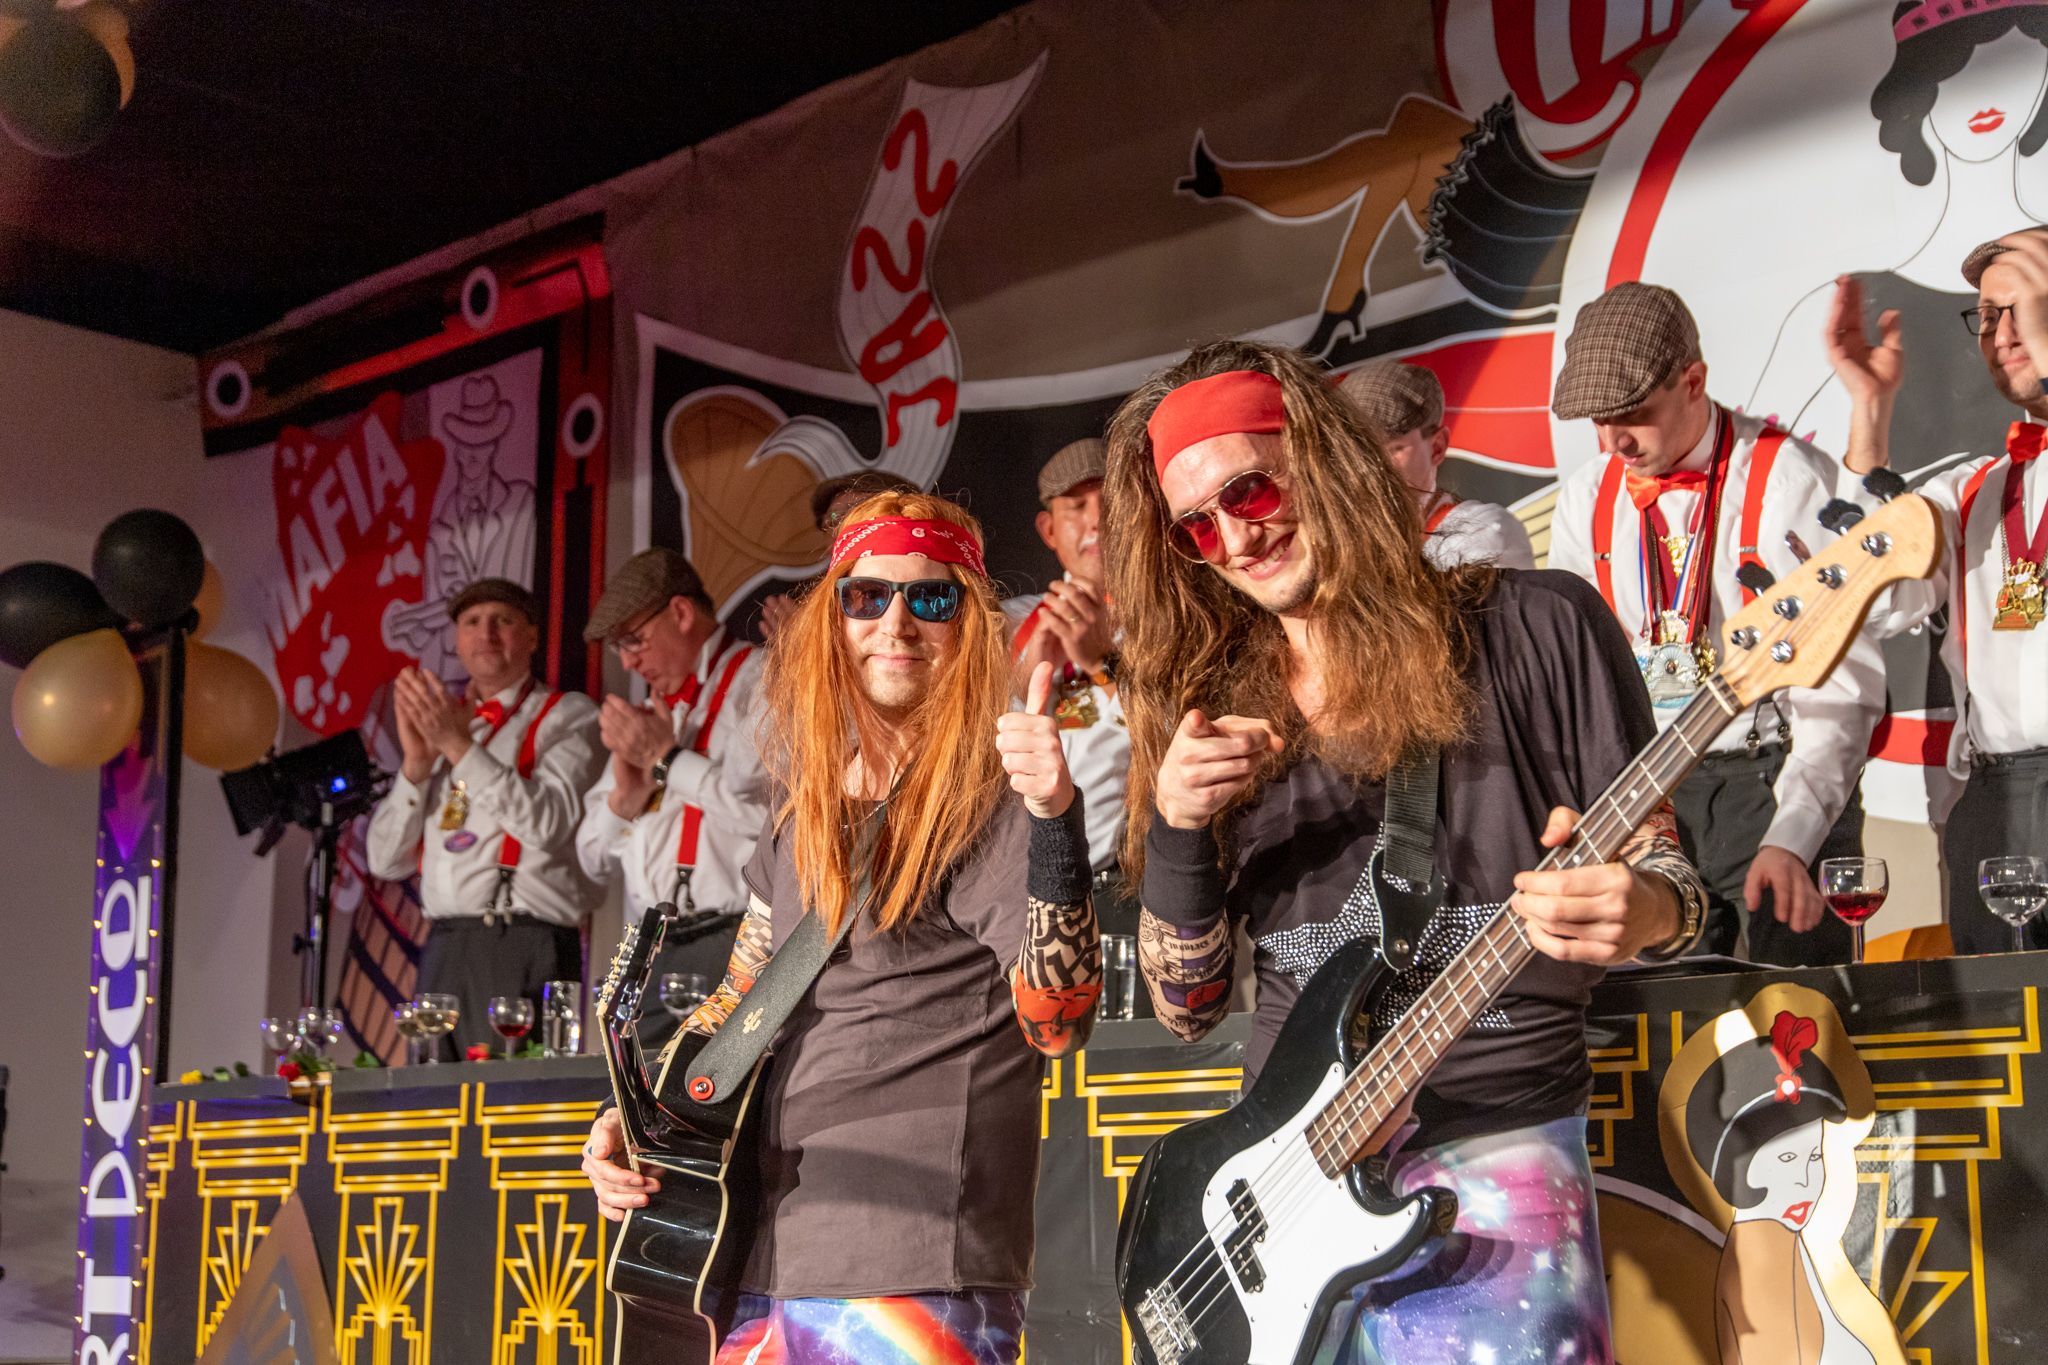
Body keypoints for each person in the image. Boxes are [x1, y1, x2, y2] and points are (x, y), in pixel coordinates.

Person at [1102, 339, 1709, 1364]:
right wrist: (1177, 826)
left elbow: (1672, 886)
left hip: (1496, 1155)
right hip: (1282, 1194)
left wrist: (1642, 908)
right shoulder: (1208, 703)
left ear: (1325, 460)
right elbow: (1186, 1006)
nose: (1236, 539)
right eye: (1197, 526)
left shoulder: (1536, 626)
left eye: (1248, 491)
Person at [581, 491, 1100, 1365]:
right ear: (834, 621)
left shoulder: (992, 798)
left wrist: (1052, 817)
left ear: (968, 625)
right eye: (867, 596)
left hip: (912, 1265)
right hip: (760, 1256)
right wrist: (638, 1119)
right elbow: (740, 1002)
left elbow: (1060, 1020)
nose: (896, 621)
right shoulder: (801, 814)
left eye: (929, 597)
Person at [1547, 283, 1885, 967]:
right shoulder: (1585, 499)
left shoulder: (1788, 479)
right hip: (1651, 795)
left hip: (1775, 779)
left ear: (1694, 381)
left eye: (1634, 413)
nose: (1614, 441)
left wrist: (1794, 834)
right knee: (1667, 1019)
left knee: (1796, 1013)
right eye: (1599, 421)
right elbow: (1577, 681)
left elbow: (1840, 686)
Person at [1829, 225, 2048, 953]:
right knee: (2003, 1018)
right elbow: (1871, 597)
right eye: (1986, 315)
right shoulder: (1972, 489)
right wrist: (1869, 411)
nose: (2002, 333)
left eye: (2024, 308)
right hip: (1991, 802)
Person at [366, 578, 603, 1057]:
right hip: (443, 944)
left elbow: (547, 824)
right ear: (457, 641)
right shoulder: (447, 723)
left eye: (503, 621)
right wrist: (416, 767)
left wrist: (457, 746)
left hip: (522, 939)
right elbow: (385, 862)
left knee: (510, 1097)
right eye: (472, 622)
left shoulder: (567, 714)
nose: (486, 634)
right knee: (432, 1097)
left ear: (532, 637)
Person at [575, 549, 771, 1032]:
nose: (627, 661)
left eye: (633, 640)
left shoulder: (763, 678)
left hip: (739, 938)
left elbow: (778, 825)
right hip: (652, 949)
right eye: (619, 648)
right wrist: (625, 799)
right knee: (631, 1082)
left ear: (681, 613)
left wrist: (670, 762)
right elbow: (591, 860)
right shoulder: (649, 716)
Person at [1683, 1011, 1887, 1365]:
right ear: (1737, 1166)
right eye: (1786, 1158)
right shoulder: (1764, 1257)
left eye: (1814, 1156)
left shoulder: (1780, 1243)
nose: (1805, 1181)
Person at [1001, 437, 1139, 936]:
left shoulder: (1168, 623)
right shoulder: (1009, 622)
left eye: (1110, 503)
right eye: (1076, 507)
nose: (1097, 521)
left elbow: (1177, 741)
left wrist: (1102, 663)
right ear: (1049, 529)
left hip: (1132, 890)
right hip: (1021, 894)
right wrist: (1026, 679)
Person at [1338, 360, 1537, 569]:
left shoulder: (1479, 533)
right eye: (1355, 450)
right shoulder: (1334, 535)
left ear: (1437, 448)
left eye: (1392, 449)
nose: (1369, 466)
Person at [756, 470, 923, 640]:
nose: (845, 528)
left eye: (860, 512)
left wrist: (807, 643)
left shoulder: (929, 590)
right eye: (834, 520)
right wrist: (802, 644)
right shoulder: (821, 609)